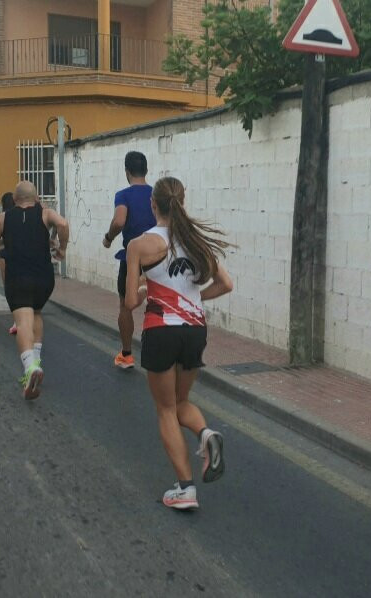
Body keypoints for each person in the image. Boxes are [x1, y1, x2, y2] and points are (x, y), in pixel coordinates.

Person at [124, 177, 233, 511]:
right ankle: (206, 435)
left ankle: (185, 489)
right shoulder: (196, 241)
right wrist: (193, 297)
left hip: (161, 330)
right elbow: (226, 284)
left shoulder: (140, 245)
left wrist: (145, 290)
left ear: (153, 205)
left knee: (166, 409)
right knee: (181, 401)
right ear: (183, 202)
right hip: (194, 329)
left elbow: (129, 302)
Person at [0, 181, 69, 400]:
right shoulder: (46, 213)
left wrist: (6, 238)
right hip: (44, 278)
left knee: (23, 321)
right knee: (36, 312)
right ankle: (36, 360)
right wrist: (62, 248)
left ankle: (30, 368)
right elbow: (64, 224)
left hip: (18, 277)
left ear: (14, 199)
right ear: (37, 198)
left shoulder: (3, 218)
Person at [102, 151, 157, 369]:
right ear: (146, 170)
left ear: (127, 172)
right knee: (158, 304)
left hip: (133, 258)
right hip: (157, 256)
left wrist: (108, 238)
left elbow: (119, 221)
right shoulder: (156, 194)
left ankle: (126, 355)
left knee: (126, 305)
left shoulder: (123, 195)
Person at [0, 191, 18, 335]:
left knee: (9, 288)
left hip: (6, 254)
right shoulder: (22, 216)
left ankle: (17, 320)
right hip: (24, 254)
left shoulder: (2, 217)